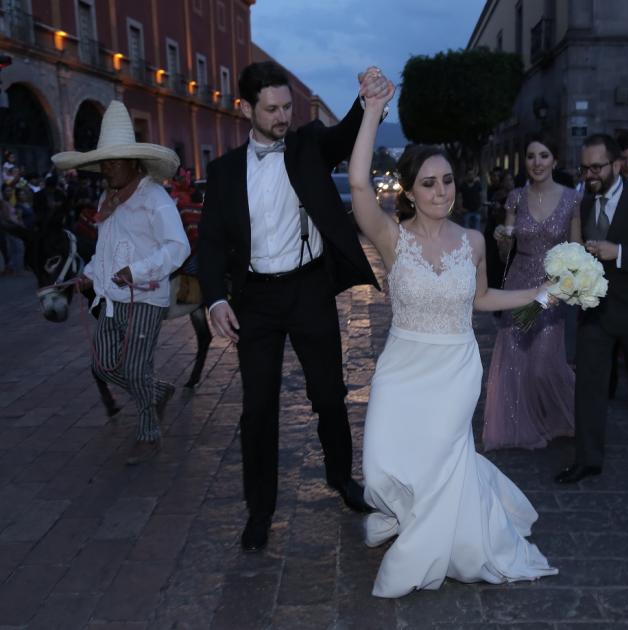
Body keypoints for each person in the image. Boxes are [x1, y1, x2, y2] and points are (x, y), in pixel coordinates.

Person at [348, 71, 557, 598]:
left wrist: (540, 295)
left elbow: (482, 299)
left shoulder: (474, 242)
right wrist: (373, 111)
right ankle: (404, 514)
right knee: (378, 468)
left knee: (442, 462)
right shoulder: (392, 239)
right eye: (429, 183)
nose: (442, 190)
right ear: (410, 191)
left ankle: (436, 542)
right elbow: (355, 186)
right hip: (403, 366)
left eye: (447, 180)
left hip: (456, 368)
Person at [198, 61, 387, 553]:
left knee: (329, 393)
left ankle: (342, 479)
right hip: (255, 300)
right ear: (246, 108)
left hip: (308, 289)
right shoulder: (221, 173)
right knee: (257, 409)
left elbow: (345, 135)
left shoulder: (307, 146)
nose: (283, 116)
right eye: (272, 109)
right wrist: (215, 298)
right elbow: (212, 243)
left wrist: (365, 99)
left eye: (287, 107)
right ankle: (260, 510)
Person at [51, 100, 189, 464]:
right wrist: (89, 275)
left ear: (133, 162)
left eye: (113, 162)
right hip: (111, 298)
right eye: (104, 163)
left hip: (145, 298)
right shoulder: (107, 201)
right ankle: (157, 391)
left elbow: (179, 247)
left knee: (135, 367)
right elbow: (105, 251)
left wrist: (138, 271)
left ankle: (148, 433)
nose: (107, 169)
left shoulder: (154, 198)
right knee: (103, 364)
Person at [555, 133, 628, 484]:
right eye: (584, 167)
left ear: (617, 165)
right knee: (589, 385)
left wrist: (618, 252)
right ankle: (587, 458)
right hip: (596, 312)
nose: (589, 174)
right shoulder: (582, 204)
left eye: (596, 167)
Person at [483, 134, 582, 451]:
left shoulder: (571, 200)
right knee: (516, 358)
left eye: (543, 155)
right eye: (530, 156)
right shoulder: (515, 197)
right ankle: (523, 423)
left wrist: (565, 284)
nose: (536, 162)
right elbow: (505, 252)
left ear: (554, 160)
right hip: (518, 283)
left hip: (552, 287)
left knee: (543, 363)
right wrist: (501, 238)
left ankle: (556, 414)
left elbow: (576, 251)